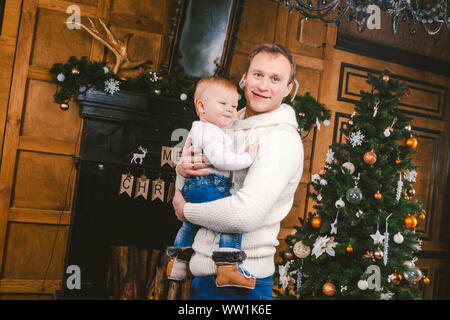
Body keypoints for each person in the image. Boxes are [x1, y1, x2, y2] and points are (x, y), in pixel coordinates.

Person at [172, 43, 304, 300]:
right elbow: (190, 187)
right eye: (258, 74)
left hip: (242, 281)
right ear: (244, 78)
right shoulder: (223, 123)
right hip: (204, 276)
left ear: (288, 89)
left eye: (275, 79)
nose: (263, 86)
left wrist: (185, 211)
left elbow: (245, 215)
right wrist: (182, 169)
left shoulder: (281, 138)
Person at [166, 76, 260, 290]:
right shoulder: (211, 132)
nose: (230, 110)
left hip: (193, 187)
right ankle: (227, 269)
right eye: (223, 103)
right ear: (201, 106)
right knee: (231, 218)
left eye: (235, 105)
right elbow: (219, 159)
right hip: (209, 185)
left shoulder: (200, 129)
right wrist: (247, 158)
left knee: (189, 225)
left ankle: (176, 264)